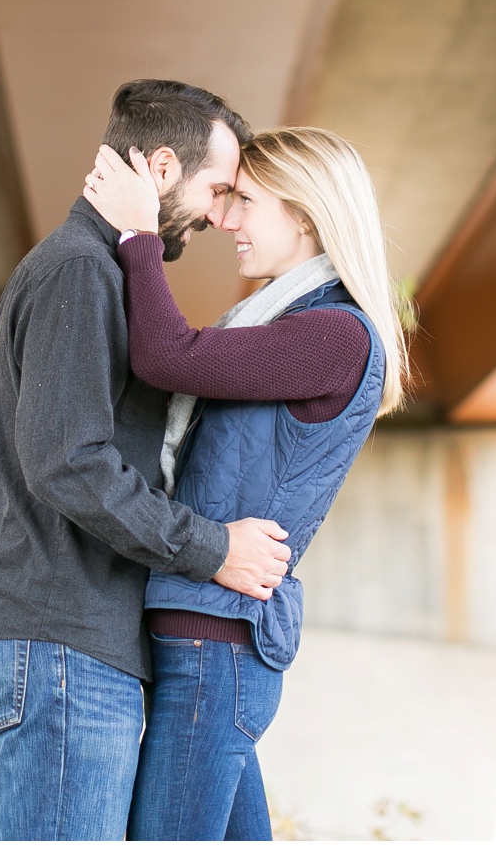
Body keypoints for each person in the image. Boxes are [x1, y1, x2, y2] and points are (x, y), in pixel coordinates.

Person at [0, 79, 298, 841]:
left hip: (54, 643)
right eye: (217, 189)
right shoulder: (80, 270)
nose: (218, 213)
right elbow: (70, 463)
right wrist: (213, 547)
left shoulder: (100, 272)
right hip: (57, 643)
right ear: (162, 166)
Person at [79, 125, 410, 841]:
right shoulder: (293, 323)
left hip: (215, 648)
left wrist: (140, 235)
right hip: (207, 647)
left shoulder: (336, 335)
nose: (226, 219)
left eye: (245, 201)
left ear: (304, 212)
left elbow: (170, 354)